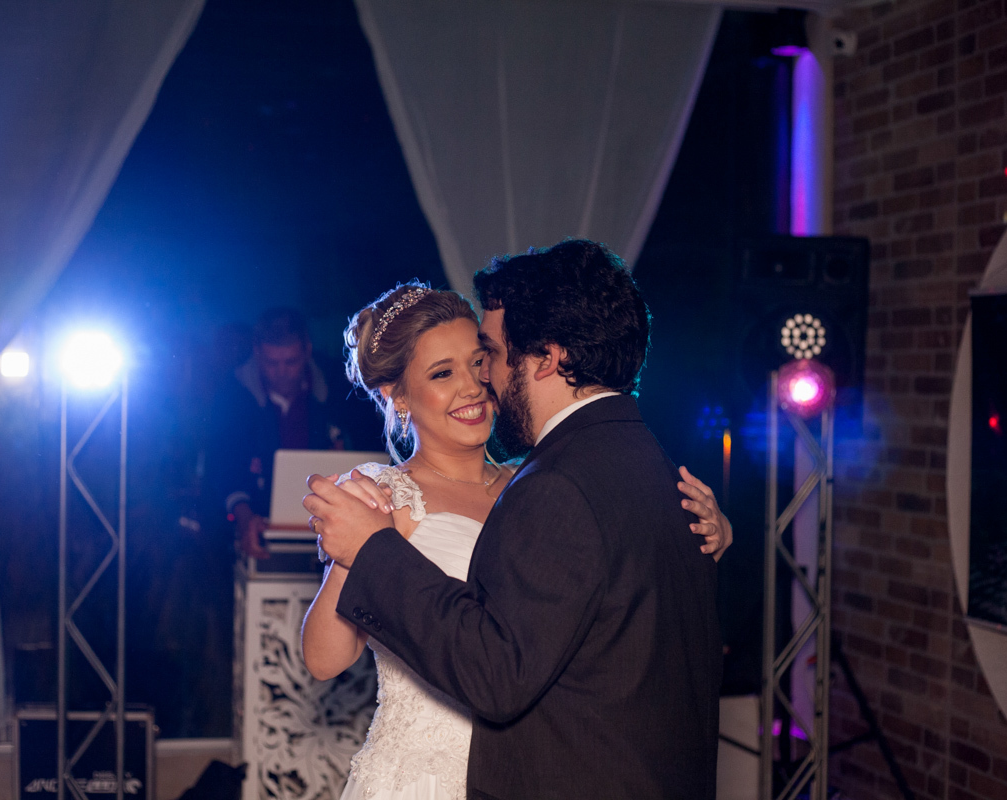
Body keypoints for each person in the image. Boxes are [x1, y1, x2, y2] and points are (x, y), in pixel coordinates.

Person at [302, 246, 728, 799]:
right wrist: (354, 555)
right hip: (424, 774)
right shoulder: (382, 495)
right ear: (397, 396)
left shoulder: (537, 483)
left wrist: (707, 536)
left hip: (530, 766)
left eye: (482, 361)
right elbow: (323, 659)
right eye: (442, 372)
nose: (475, 385)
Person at [205, 308, 372, 559]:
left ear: (307, 350)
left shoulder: (341, 386)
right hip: (260, 523)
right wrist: (243, 514)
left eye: (291, 361)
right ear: (257, 352)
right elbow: (223, 466)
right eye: (272, 363)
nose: (281, 371)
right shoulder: (232, 394)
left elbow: (370, 447)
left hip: (333, 523)